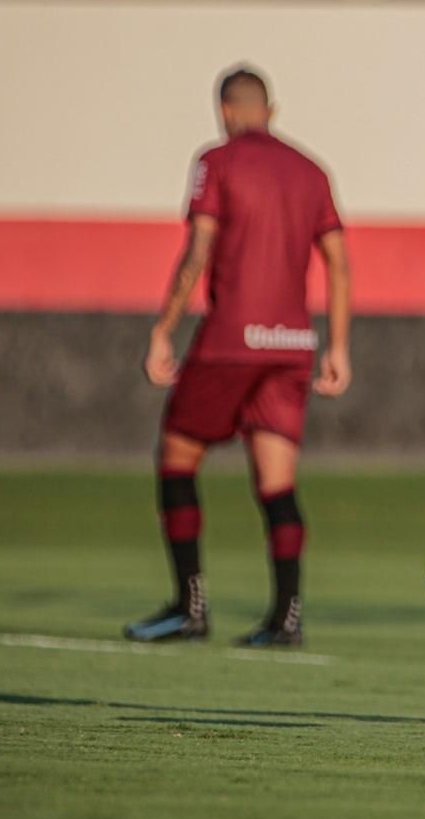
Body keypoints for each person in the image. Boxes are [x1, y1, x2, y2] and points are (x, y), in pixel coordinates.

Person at [124, 66, 351, 648]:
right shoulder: (311, 170)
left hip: (230, 342)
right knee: (276, 483)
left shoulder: (217, 162)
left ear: (225, 111)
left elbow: (199, 248)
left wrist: (163, 330)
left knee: (177, 458)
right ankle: (287, 619)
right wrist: (339, 347)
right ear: (270, 110)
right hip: (292, 347)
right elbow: (339, 262)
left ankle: (189, 607)